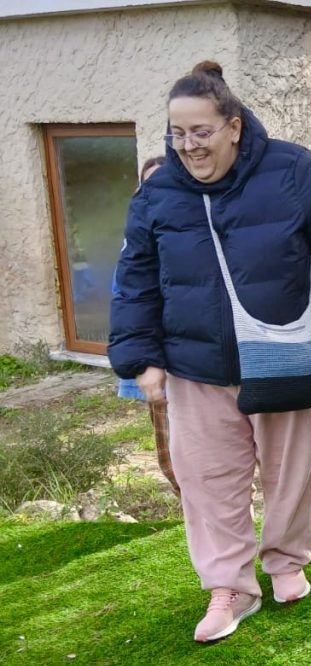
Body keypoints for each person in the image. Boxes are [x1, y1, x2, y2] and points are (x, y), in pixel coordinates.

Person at [108, 61, 311, 643]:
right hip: (194, 364)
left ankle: (285, 563)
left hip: (283, 351)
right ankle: (229, 585)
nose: (189, 146)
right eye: (177, 134)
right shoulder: (160, 194)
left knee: (288, 472)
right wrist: (140, 357)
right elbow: (136, 277)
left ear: (232, 125)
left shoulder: (294, 171)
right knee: (207, 480)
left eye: (200, 132)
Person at [112, 156, 180, 498]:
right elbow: (128, 303)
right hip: (159, 366)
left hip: (197, 367)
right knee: (172, 462)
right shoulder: (137, 243)